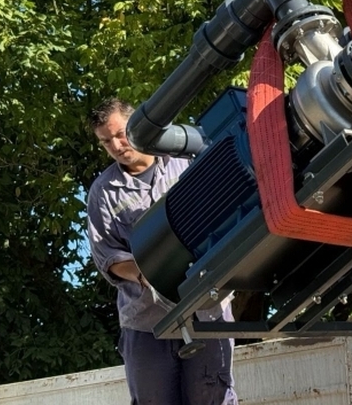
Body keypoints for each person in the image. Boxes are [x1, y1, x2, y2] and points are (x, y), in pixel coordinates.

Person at [86, 97, 238, 405]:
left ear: (138, 125)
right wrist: (146, 275)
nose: (116, 145)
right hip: (146, 323)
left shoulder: (187, 159)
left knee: (214, 398)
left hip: (207, 311)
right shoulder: (103, 192)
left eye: (120, 134)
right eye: (106, 142)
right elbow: (107, 257)